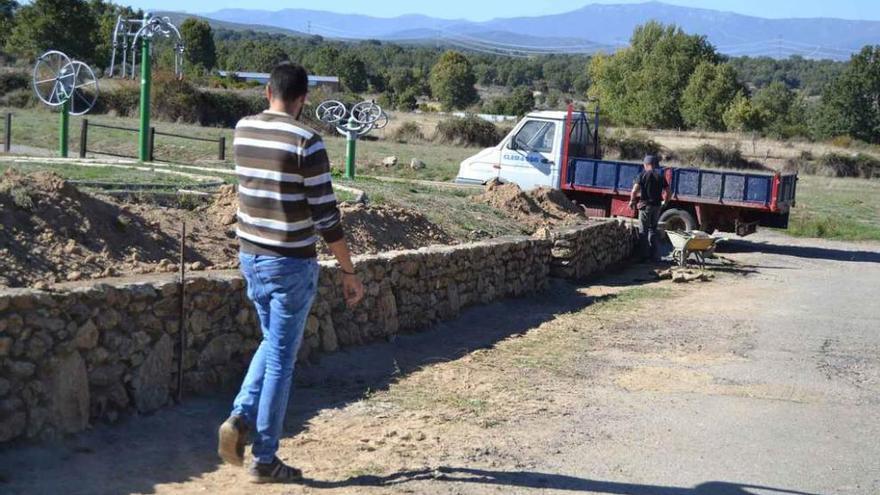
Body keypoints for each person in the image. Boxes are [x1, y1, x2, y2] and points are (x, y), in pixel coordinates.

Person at [217, 62, 364, 484]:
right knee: (282, 359)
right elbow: (327, 218)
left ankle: (242, 418)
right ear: (303, 100)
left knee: (272, 343)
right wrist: (349, 271)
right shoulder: (307, 142)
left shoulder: (243, 129)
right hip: (291, 263)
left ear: (268, 92)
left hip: (251, 257)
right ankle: (264, 459)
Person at [629, 155, 670, 261]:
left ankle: (644, 256)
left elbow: (634, 191)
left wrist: (632, 201)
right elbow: (668, 191)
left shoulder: (642, 175)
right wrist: (665, 202)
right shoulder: (660, 176)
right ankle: (654, 255)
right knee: (653, 230)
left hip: (645, 206)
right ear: (655, 165)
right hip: (656, 206)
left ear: (646, 165)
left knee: (643, 230)